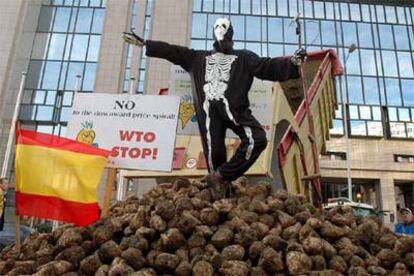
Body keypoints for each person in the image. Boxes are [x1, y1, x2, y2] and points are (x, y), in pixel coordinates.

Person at [123, 18, 306, 199]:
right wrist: (146, 44)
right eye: (217, 26)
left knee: (256, 139)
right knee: (215, 154)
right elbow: (172, 51)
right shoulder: (197, 58)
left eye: (224, 27)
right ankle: (220, 195)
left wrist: (292, 63)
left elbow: (267, 66)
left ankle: (220, 176)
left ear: (231, 32)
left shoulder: (244, 57)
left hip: (235, 110)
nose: (220, 30)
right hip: (209, 112)